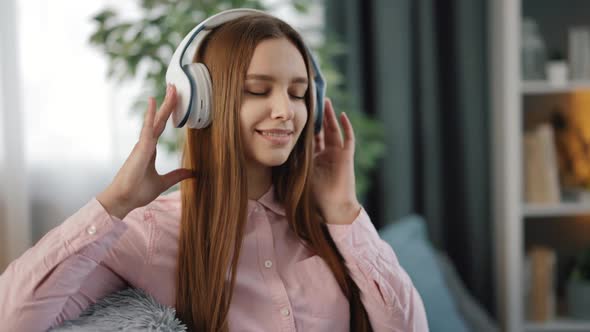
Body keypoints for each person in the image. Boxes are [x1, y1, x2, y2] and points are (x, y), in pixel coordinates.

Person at [0, 10, 428, 332]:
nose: (285, 111)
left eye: (298, 94)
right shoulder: (149, 232)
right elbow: (14, 317)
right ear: (199, 101)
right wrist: (116, 202)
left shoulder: (329, 226)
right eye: (257, 90)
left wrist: (345, 210)